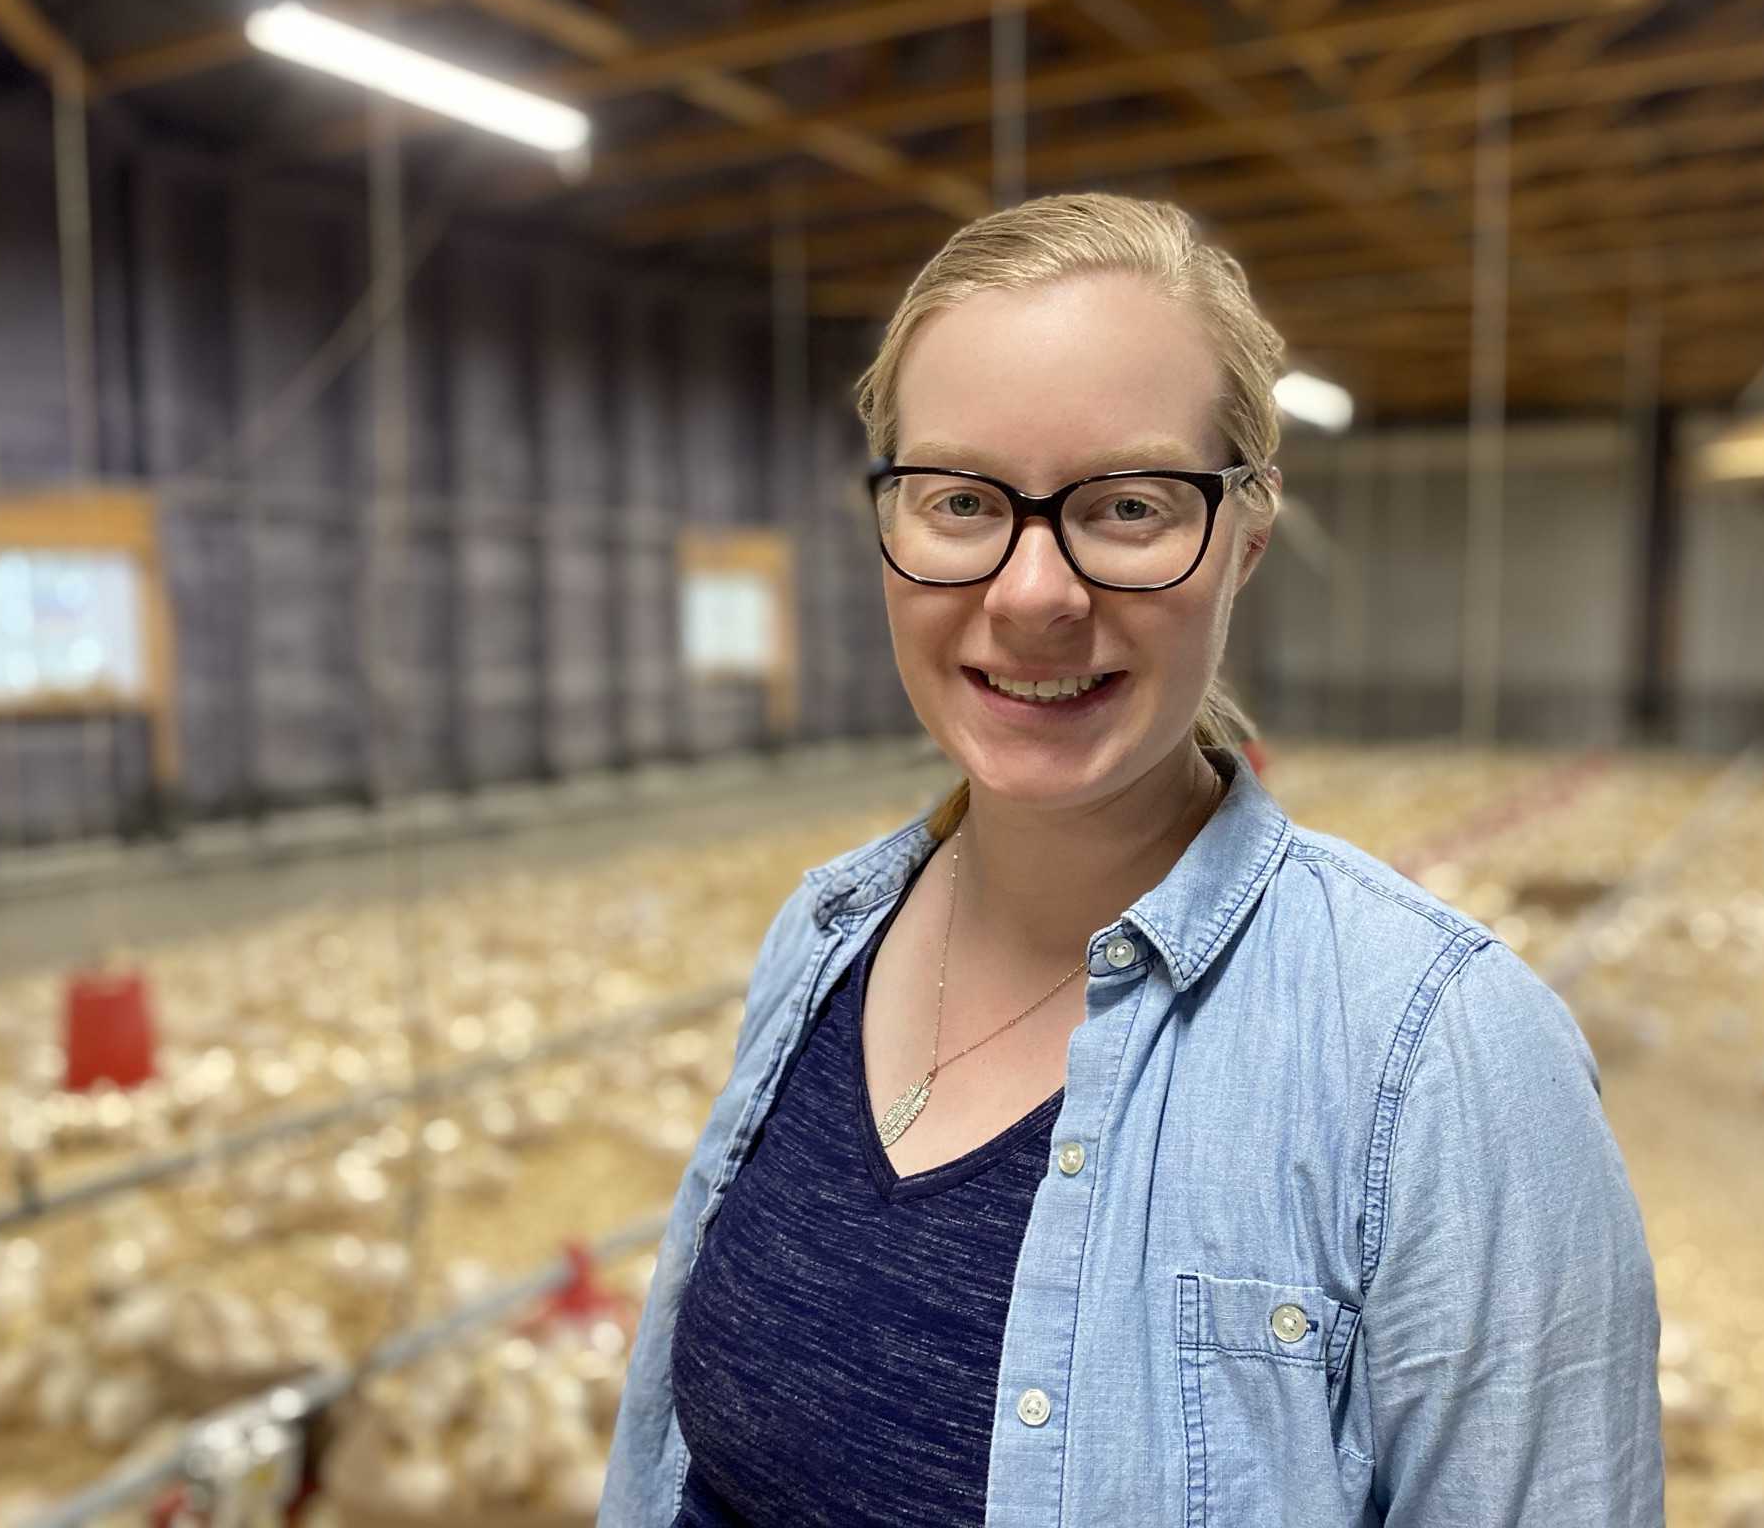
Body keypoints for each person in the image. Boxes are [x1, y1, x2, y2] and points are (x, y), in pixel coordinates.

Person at [603, 194, 1663, 1527]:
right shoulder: (821, 942)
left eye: (1128, 505)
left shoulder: (1443, 1066)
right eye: (959, 499)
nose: (1035, 593)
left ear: (1246, 538)